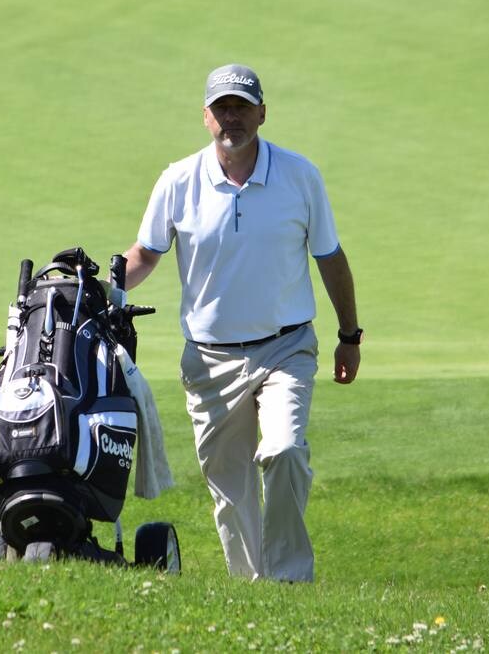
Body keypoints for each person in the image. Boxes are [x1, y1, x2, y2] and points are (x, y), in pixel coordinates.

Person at [121, 64, 362, 582]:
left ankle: (289, 581)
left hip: (286, 347)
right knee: (230, 492)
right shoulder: (178, 180)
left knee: (284, 451)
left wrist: (349, 336)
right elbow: (145, 253)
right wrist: (105, 286)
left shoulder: (300, 176)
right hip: (209, 358)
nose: (233, 117)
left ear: (262, 113)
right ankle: (254, 592)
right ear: (207, 117)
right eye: (222, 108)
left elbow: (330, 257)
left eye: (242, 106)